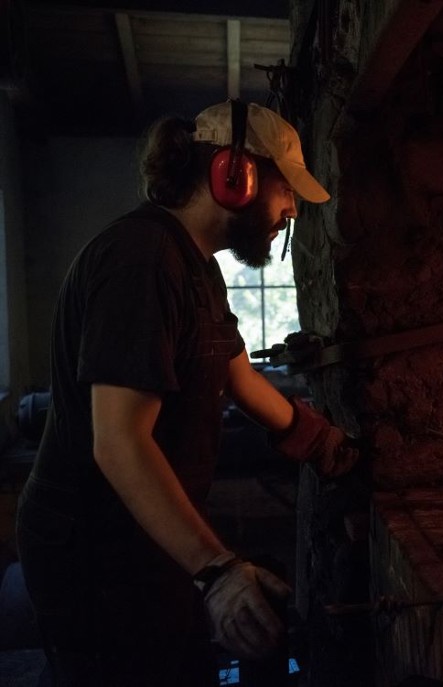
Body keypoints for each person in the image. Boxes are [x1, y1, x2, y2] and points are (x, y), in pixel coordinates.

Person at [15, 100, 358, 686]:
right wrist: (218, 571)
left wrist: (320, 438)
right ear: (235, 175)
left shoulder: (198, 267)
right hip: (94, 551)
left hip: (147, 533)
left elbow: (236, 374)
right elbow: (119, 442)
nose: (291, 209)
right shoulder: (141, 262)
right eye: (284, 189)